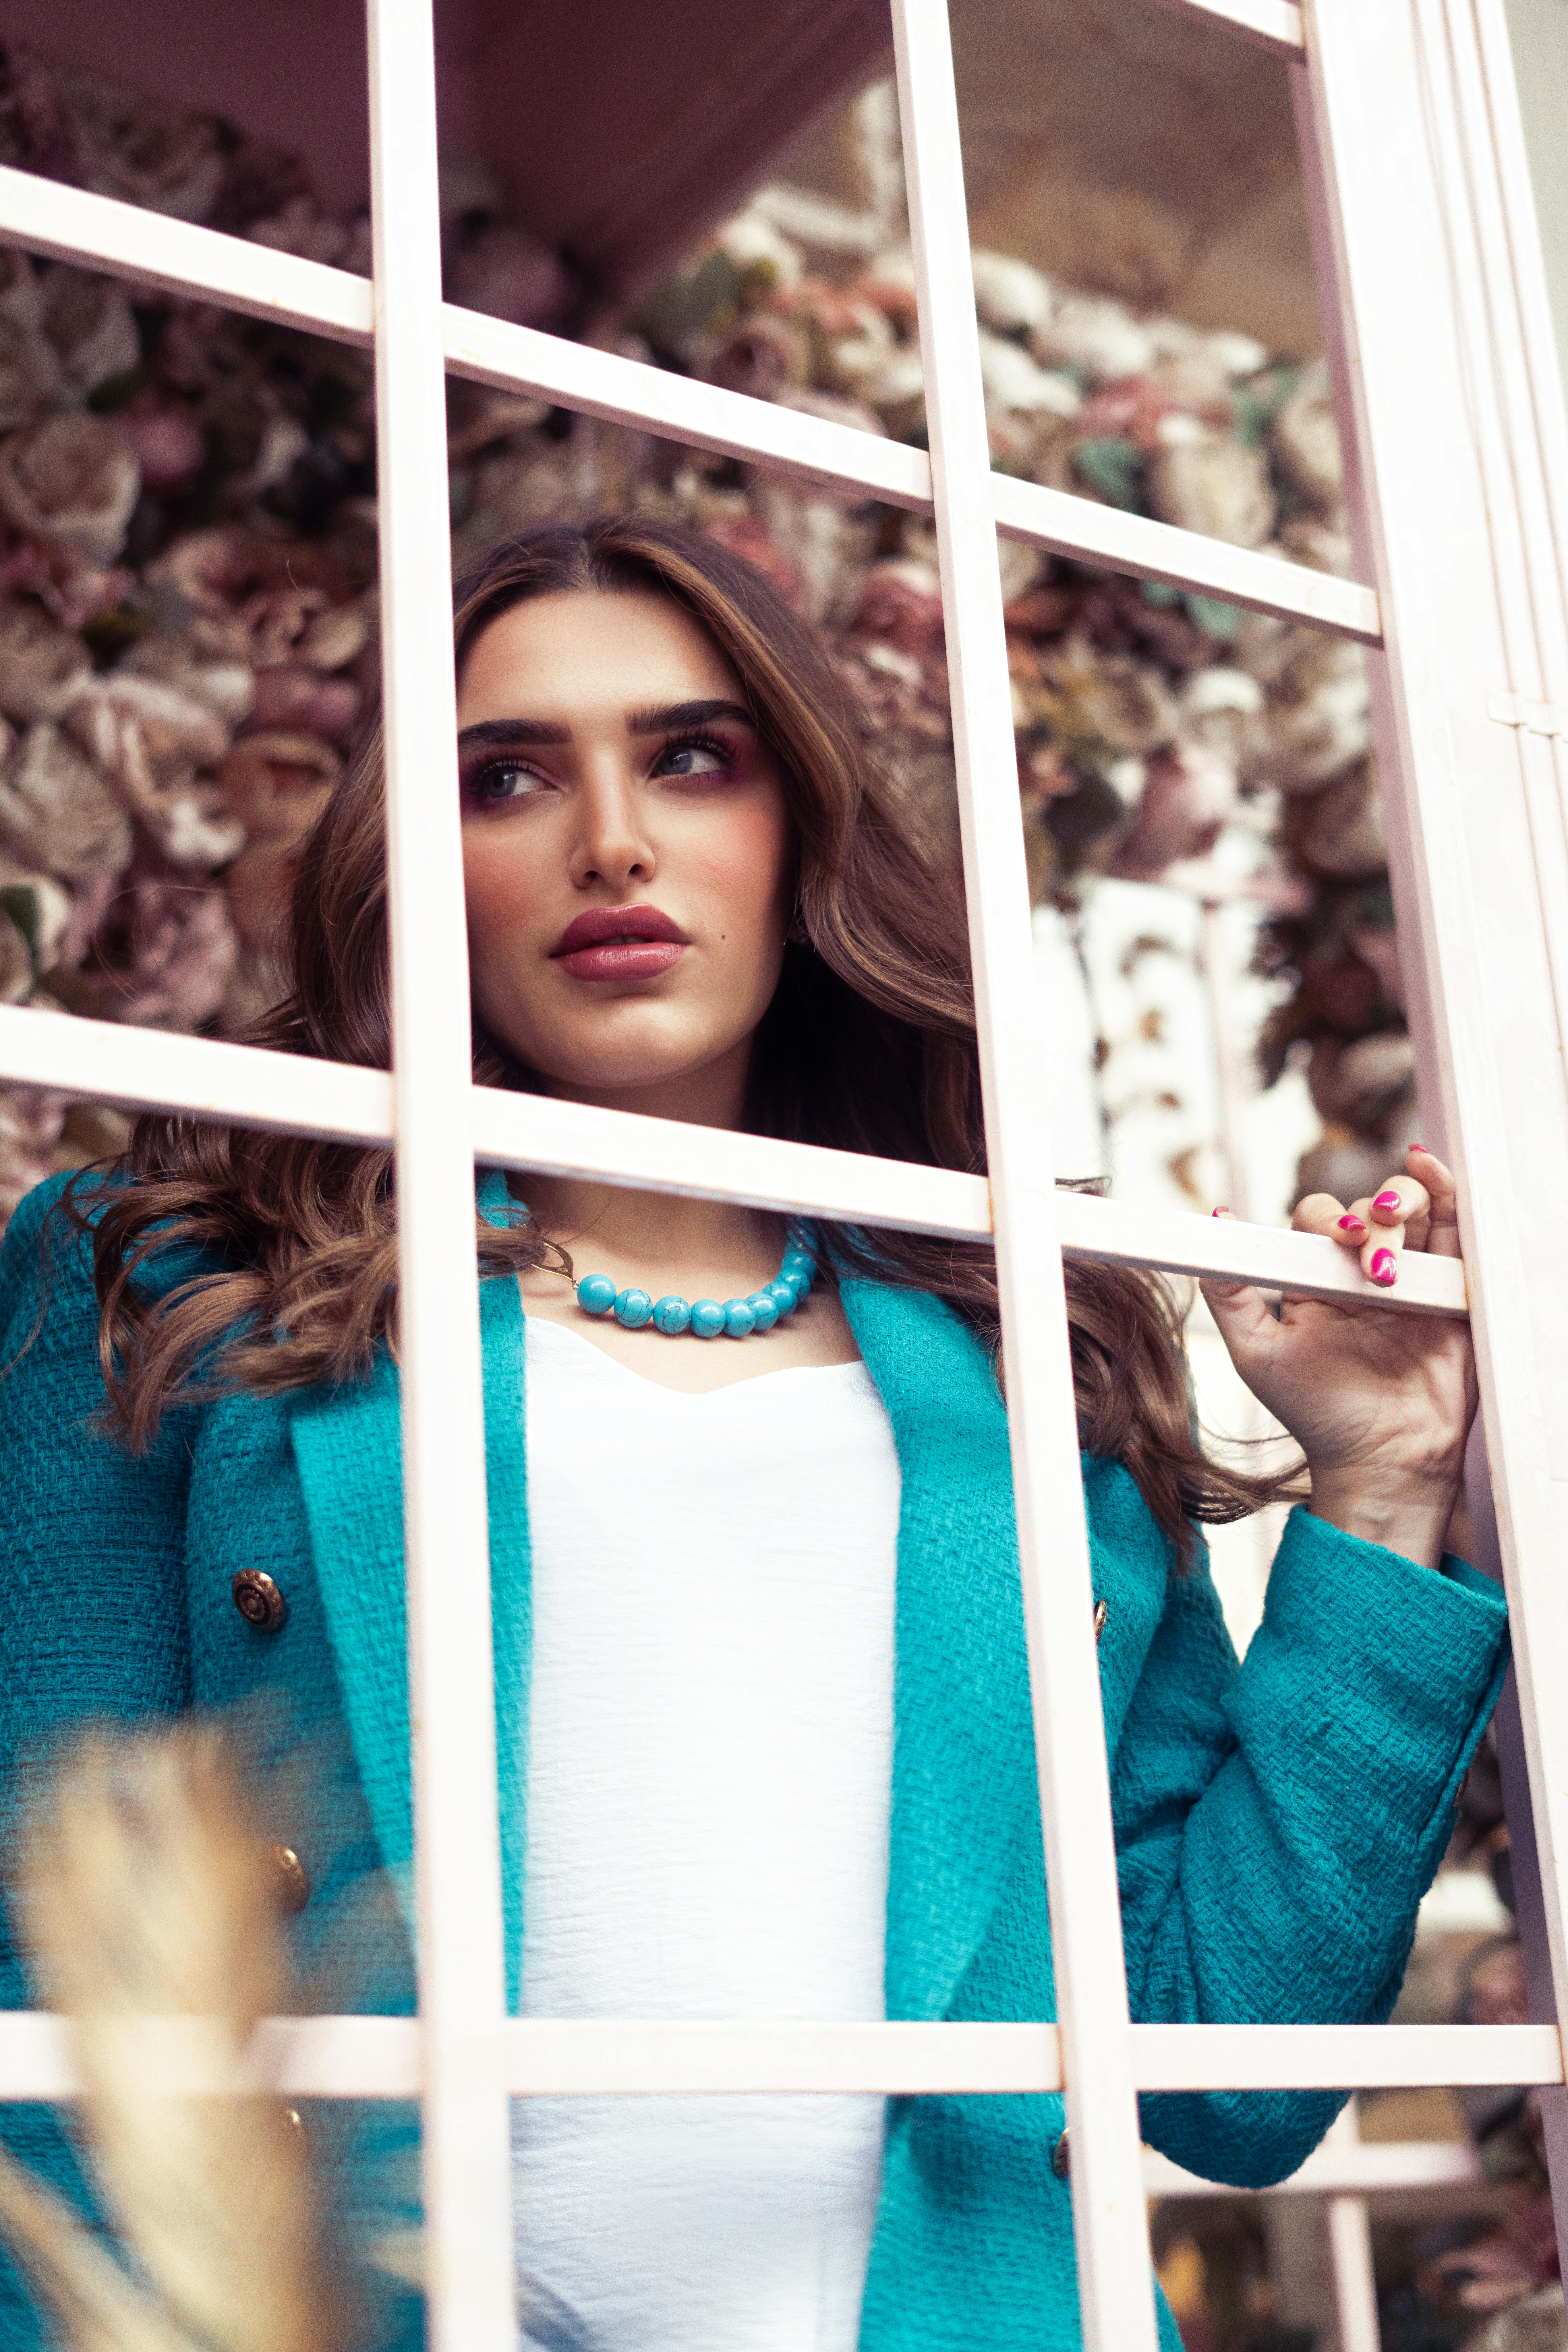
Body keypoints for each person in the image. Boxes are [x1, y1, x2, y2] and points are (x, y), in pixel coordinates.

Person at [0, 516, 1507, 2352]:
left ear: (797, 832)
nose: (611, 840)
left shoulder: (1025, 1349)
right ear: (414, 860)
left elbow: (1225, 2077)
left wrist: (1378, 1481)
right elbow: (44, 1986)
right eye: (508, 777)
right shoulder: (166, 1278)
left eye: (690, 758)